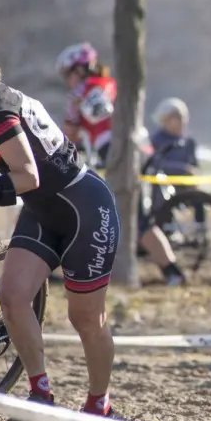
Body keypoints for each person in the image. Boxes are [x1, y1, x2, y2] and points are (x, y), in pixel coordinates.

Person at [0, 55, 119, 421]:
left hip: (81, 206)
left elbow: (28, 176)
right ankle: (40, 395)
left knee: (85, 319)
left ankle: (98, 404)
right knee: (12, 296)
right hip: (42, 211)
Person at [55, 43, 185, 286]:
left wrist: (73, 124)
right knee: (133, 217)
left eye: (69, 74)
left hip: (117, 153)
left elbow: (71, 132)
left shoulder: (84, 91)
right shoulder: (109, 84)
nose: (68, 81)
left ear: (80, 71)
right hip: (136, 148)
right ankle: (170, 271)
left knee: (133, 218)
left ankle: (172, 272)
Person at [149, 98, 205, 225]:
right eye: (177, 117)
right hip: (164, 186)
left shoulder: (188, 142)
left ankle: (200, 228)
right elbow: (157, 164)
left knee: (200, 197)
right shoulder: (156, 141)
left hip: (186, 186)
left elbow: (194, 165)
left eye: (183, 117)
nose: (182, 122)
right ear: (165, 119)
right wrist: (183, 169)